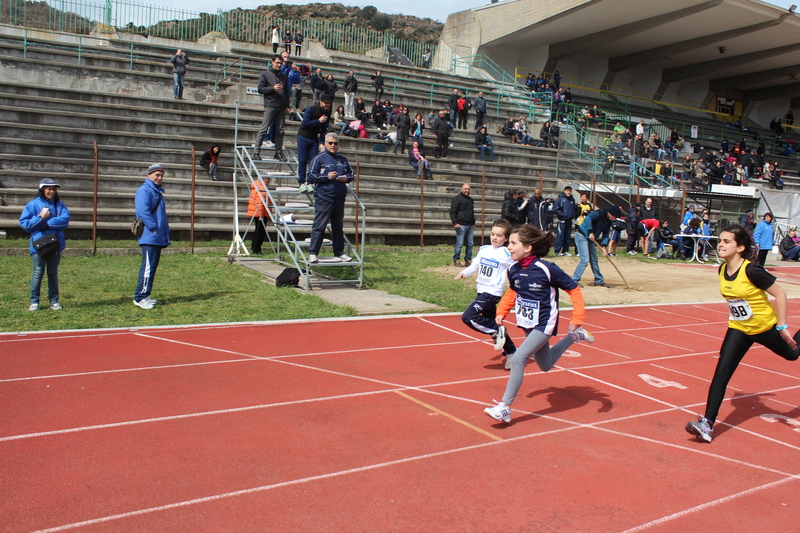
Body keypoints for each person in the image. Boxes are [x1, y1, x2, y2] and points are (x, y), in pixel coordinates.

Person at [686, 224, 800, 443]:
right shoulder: (721, 269)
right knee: (722, 372)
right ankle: (707, 424)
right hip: (739, 329)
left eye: (727, 241)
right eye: (720, 240)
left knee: (793, 355)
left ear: (740, 247)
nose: (721, 244)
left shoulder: (752, 270)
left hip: (765, 328)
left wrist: (782, 327)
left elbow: (781, 294)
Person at [483, 224, 595, 424]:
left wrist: (577, 318)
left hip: (545, 323)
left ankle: (505, 408)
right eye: (508, 243)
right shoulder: (514, 269)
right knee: (545, 365)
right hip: (527, 323)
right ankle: (574, 338)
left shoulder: (547, 268)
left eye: (513, 243)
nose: (509, 247)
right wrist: (502, 311)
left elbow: (574, 290)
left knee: (517, 359)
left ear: (528, 248)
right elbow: (513, 291)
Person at [455, 219, 518, 369]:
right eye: (493, 234)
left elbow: (515, 268)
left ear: (506, 238)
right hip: (481, 290)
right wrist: (464, 272)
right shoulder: (484, 249)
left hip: (492, 292)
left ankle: (498, 331)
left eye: (499, 235)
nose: (495, 238)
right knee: (491, 321)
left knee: (468, 317)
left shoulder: (506, 253)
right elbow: (475, 264)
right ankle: (511, 352)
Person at [19, 178, 70, 311]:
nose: (51, 192)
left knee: (53, 273)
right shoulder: (32, 205)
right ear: (42, 190)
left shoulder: (60, 205)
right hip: (39, 245)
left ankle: (54, 301)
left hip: (55, 245)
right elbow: (25, 225)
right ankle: (34, 301)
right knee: (38, 272)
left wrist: (46, 223)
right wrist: (40, 218)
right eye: (48, 189)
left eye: (53, 189)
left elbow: (65, 220)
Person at [306, 133, 354, 263]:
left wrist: (346, 178)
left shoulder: (343, 159)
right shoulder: (319, 158)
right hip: (324, 197)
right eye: (331, 143)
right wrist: (327, 177)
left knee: (338, 227)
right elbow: (310, 176)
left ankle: (339, 252)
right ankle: (313, 253)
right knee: (319, 226)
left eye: (335, 143)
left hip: (339, 197)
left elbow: (351, 174)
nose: (333, 145)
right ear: (326, 143)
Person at [133, 164, 170, 310]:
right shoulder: (145, 190)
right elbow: (143, 212)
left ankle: (145, 294)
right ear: (150, 175)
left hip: (156, 236)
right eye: (157, 175)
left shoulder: (156, 191)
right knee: (148, 268)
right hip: (150, 236)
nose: (159, 178)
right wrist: (154, 228)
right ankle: (140, 297)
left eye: (161, 176)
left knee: (152, 267)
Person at [572, 206, 621, 288]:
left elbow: (605, 234)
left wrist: (604, 246)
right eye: (615, 217)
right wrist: (591, 232)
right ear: (611, 214)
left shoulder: (609, 221)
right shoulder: (600, 213)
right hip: (582, 235)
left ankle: (599, 280)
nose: (615, 219)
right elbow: (587, 219)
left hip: (591, 239)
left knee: (594, 259)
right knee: (585, 260)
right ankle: (574, 281)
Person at [253, 55, 289, 162]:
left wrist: (287, 105)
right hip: (270, 105)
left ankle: (278, 152)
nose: (279, 65)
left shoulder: (284, 76)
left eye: (280, 63)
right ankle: (256, 151)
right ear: (272, 62)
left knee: (280, 130)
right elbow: (260, 89)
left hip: (281, 106)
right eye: (277, 63)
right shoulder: (265, 74)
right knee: (264, 129)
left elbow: (287, 92)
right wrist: (273, 89)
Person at [296, 94, 332, 193]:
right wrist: (318, 121)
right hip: (303, 136)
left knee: (313, 161)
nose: (327, 105)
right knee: (302, 160)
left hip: (314, 138)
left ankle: (310, 182)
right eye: (325, 103)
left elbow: (324, 129)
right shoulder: (311, 109)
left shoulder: (327, 113)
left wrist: (322, 142)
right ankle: (301, 182)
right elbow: (305, 123)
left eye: (328, 104)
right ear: (320, 101)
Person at [450, 183, 475, 267]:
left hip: (470, 225)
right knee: (459, 243)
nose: (467, 190)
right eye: (465, 189)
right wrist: (455, 223)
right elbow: (453, 211)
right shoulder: (457, 199)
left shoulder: (470, 200)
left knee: (470, 243)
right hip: (461, 225)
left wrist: (473, 223)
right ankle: (456, 259)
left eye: (468, 189)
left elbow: (471, 212)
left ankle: (468, 259)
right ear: (462, 189)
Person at [247, 176, 273, 255]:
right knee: (260, 232)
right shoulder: (262, 187)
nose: (269, 181)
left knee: (258, 231)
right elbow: (261, 202)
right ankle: (256, 250)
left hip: (257, 212)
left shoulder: (257, 186)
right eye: (268, 179)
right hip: (261, 213)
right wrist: (261, 215)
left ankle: (255, 248)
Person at [553, 185, 576, 256]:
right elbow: (556, 209)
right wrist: (563, 215)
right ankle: (557, 251)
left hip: (569, 221)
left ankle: (565, 250)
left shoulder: (572, 200)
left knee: (567, 236)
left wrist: (572, 215)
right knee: (560, 236)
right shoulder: (560, 199)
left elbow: (573, 209)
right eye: (567, 191)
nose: (569, 192)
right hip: (562, 221)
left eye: (570, 191)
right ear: (565, 191)